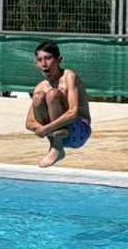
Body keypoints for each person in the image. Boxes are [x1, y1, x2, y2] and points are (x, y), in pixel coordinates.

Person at [25, 40, 92, 168]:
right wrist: (40, 129)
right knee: (39, 97)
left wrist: (45, 129)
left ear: (59, 59)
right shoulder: (40, 87)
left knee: (53, 94)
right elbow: (29, 123)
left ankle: (57, 147)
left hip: (78, 131)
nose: (44, 64)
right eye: (40, 60)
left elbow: (74, 112)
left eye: (48, 58)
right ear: (36, 64)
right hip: (56, 134)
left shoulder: (69, 76)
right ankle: (56, 145)